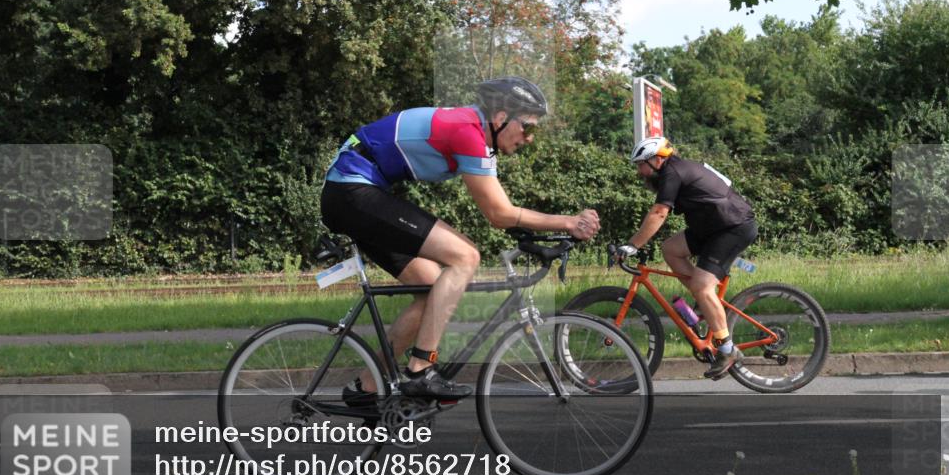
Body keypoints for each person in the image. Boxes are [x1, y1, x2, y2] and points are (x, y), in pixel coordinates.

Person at [320, 77, 601, 402]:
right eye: (526, 127)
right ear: (500, 118)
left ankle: (366, 389)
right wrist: (568, 222)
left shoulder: (479, 137)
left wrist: (537, 237)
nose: (529, 137)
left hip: (356, 193)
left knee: (430, 285)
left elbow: (502, 212)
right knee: (465, 255)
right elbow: (499, 213)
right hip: (351, 190)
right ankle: (420, 370)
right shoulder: (467, 131)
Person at [616, 136, 757, 379]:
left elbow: (659, 213)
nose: (639, 171)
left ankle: (727, 349)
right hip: (712, 227)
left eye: (641, 164)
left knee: (702, 287)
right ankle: (705, 304)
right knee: (671, 249)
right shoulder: (676, 169)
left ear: (657, 160)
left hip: (732, 227)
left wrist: (633, 245)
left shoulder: (673, 173)